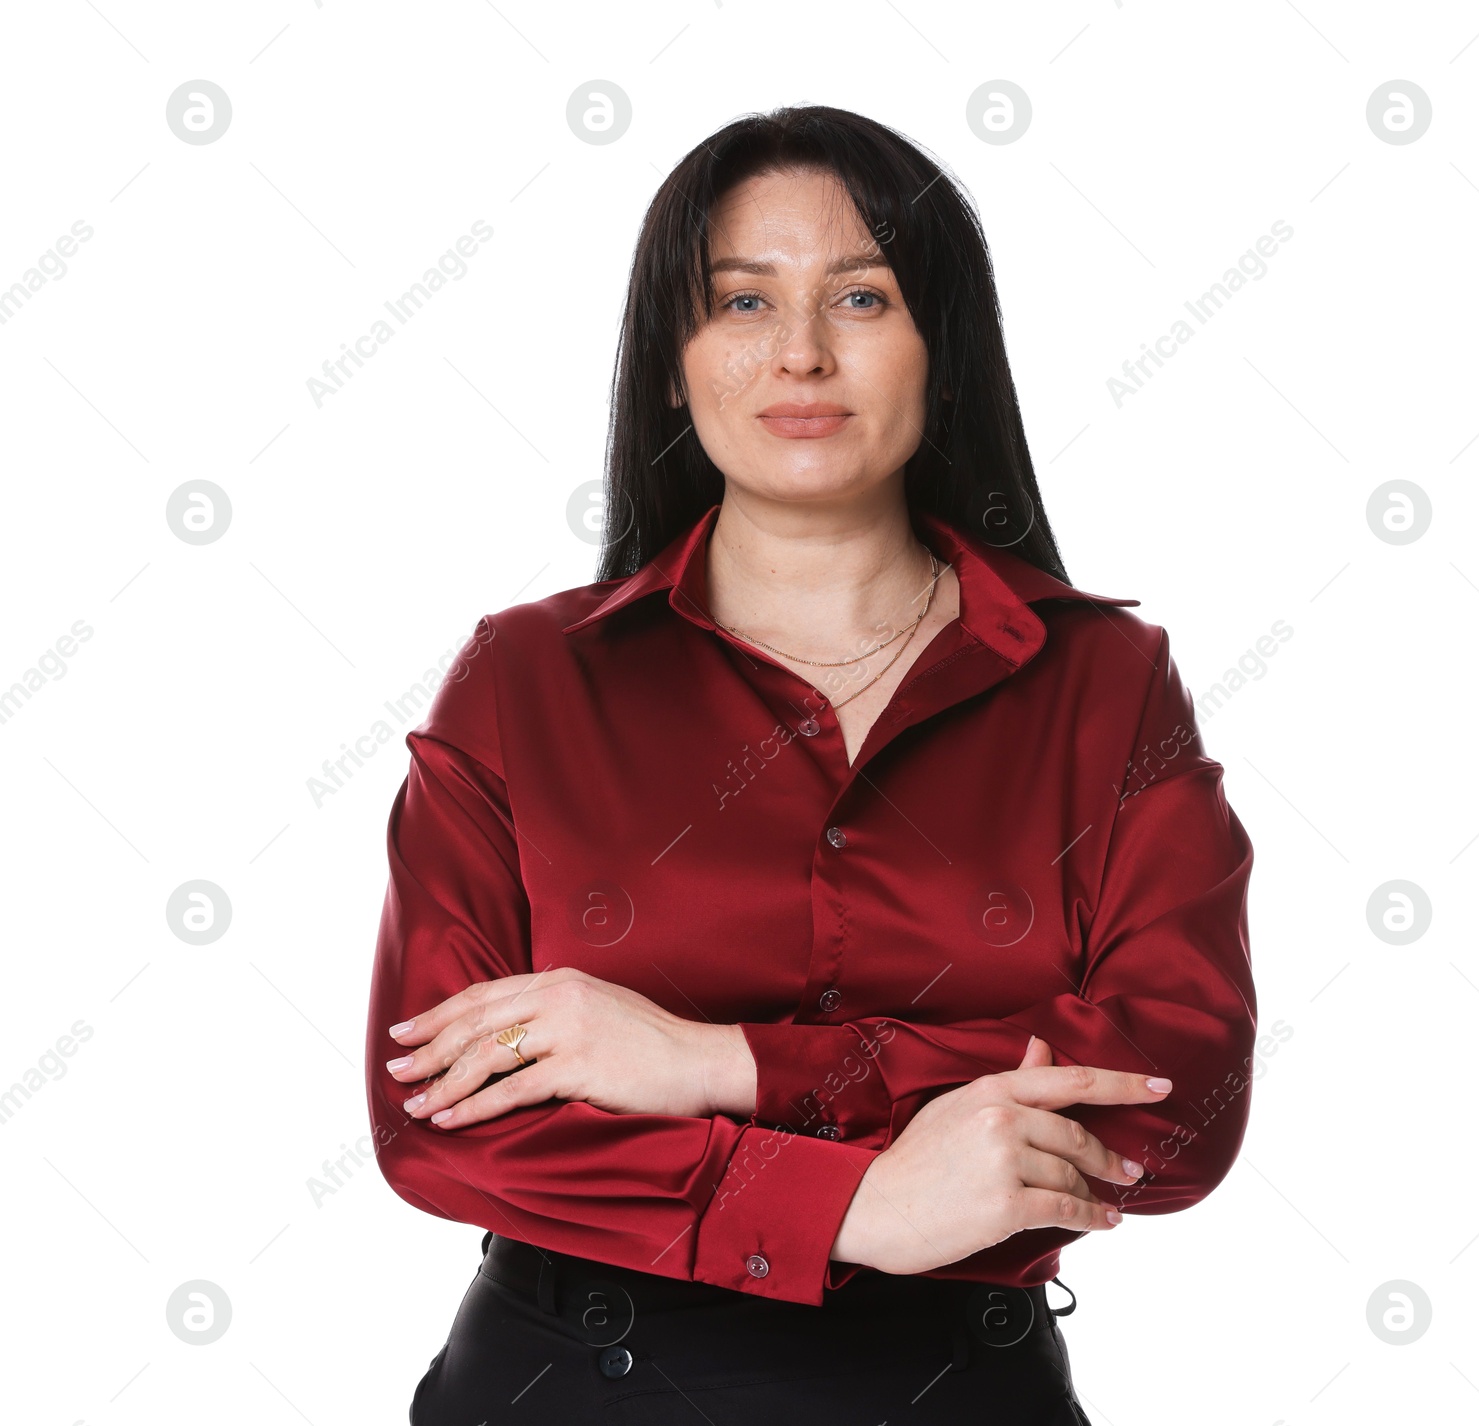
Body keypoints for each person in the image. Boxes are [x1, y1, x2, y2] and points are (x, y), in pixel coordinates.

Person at [364, 104, 1256, 1425]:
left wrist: (715, 1061)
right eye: (738, 300)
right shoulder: (523, 679)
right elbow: (440, 1119)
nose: (799, 352)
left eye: (861, 295)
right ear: (671, 360)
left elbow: (1177, 1095)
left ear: (941, 349)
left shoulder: (1103, 684)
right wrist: (862, 1200)